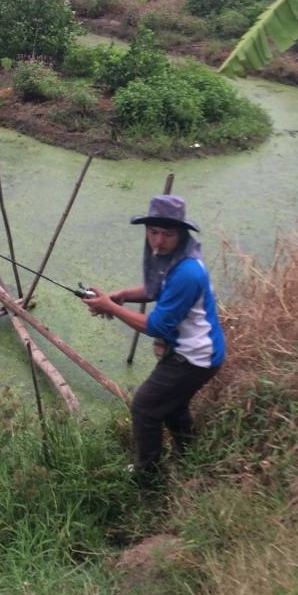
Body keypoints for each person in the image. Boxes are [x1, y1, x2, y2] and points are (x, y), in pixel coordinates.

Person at [83, 194, 225, 474]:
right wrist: (123, 295)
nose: (158, 241)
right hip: (197, 350)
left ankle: (148, 474)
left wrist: (109, 306)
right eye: (153, 232)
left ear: (181, 234)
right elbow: (157, 288)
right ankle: (188, 456)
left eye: (167, 234)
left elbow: (157, 327)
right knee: (172, 406)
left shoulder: (187, 273)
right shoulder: (175, 257)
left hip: (195, 357)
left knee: (145, 407)